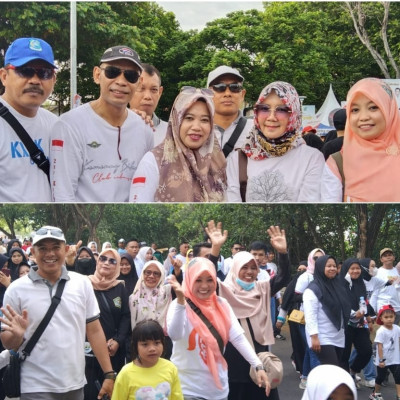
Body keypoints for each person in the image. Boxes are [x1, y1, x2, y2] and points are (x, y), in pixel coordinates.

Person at [0, 225, 115, 399]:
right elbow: (8, 342)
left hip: (74, 383)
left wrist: (109, 373)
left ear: (66, 250)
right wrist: (17, 335)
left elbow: (94, 330)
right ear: (32, 252)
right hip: (34, 386)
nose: (50, 254)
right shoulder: (15, 290)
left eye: (55, 247)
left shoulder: (81, 283)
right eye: (43, 248)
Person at [51, 45, 154, 202]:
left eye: (130, 76)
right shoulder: (69, 125)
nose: (121, 81)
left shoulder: (144, 128)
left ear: (139, 83)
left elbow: (146, 186)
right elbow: (62, 194)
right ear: (97, 74)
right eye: (112, 72)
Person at [167, 256, 271, 400]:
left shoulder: (222, 305)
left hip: (217, 389)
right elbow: (175, 335)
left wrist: (258, 365)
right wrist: (180, 301)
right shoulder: (178, 306)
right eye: (198, 280)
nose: (204, 286)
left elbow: (238, 338)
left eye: (209, 280)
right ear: (189, 279)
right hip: (186, 388)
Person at [218, 226, 290, 400]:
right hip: (234, 360)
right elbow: (206, 277)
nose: (249, 272)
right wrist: (215, 250)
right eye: (244, 267)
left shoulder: (262, 289)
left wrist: (283, 252)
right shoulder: (223, 291)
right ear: (235, 268)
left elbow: (284, 277)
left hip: (260, 358)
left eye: (253, 268)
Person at [226, 81, 324, 202]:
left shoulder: (311, 159)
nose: (271, 117)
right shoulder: (237, 159)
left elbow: (308, 203)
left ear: (294, 115)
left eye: (281, 110)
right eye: (264, 109)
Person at [130, 86, 227, 202]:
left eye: (205, 120)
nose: (196, 127)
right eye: (189, 118)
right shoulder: (154, 161)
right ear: (176, 120)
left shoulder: (217, 162)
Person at [321, 78, 400, 202]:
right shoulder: (337, 163)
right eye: (355, 110)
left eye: (373, 107)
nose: (363, 117)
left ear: (389, 109)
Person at [0, 37, 58, 202]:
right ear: (4, 76)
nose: (35, 80)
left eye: (44, 73)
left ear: (53, 79)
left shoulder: (55, 124)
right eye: (25, 70)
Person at [86, 247, 130, 400]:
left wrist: (118, 340)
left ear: (117, 266)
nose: (107, 263)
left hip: (112, 350)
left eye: (113, 261)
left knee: (110, 393)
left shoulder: (120, 287)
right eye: (103, 258)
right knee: (89, 391)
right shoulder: (85, 284)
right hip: (87, 351)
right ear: (97, 262)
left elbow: (126, 316)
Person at [111, 319, 183, 400]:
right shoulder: (126, 373)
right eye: (145, 344)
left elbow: (177, 397)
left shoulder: (171, 368)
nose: (152, 348)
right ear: (135, 346)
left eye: (156, 343)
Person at [303, 255, 350, 367]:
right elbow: (310, 315)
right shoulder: (312, 289)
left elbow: (343, 307)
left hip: (338, 335)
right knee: (332, 369)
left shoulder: (338, 285)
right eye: (328, 266)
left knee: (334, 368)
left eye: (334, 266)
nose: (332, 268)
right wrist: (314, 337)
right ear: (320, 267)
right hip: (322, 336)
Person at [129, 260, 173, 359]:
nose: (151, 276)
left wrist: (177, 271)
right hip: (141, 341)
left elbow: (181, 284)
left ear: (162, 276)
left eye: (156, 273)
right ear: (142, 273)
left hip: (163, 342)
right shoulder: (133, 298)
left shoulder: (168, 292)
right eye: (148, 272)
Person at [338, 258, 373, 383]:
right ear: (346, 269)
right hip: (344, 324)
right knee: (344, 354)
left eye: (357, 268)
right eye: (352, 268)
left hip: (359, 324)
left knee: (366, 351)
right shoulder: (340, 283)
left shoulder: (360, 283)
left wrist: (368, 317)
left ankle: (353, 371)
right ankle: (345, 381)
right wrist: (353, 314)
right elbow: (341, 303)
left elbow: (364, 301)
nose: (355, 271)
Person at [206, 65, 253, 156]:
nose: (227, 93)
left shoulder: (256, 131)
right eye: (220, 87)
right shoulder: (197, 130)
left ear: (242, 94)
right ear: (208, 94)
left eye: (234, 87)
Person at [129, 63, 168, 147]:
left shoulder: (171, 133)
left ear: (160, 92)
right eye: (141, 88)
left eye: (154, 90)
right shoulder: (112, 128)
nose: (147, 96)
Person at [369, 304, 400, 400]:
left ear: (395, 317)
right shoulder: (381, 331)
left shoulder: (397, 328)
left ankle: (399, 395)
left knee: (398, 376)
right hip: (383, 359)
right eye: (386, 317)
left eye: (391, 317)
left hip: (395, 358)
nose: (389, 319)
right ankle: (375, 393)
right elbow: (379, 346)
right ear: (381, 318)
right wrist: (381, 360)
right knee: (381, 377)